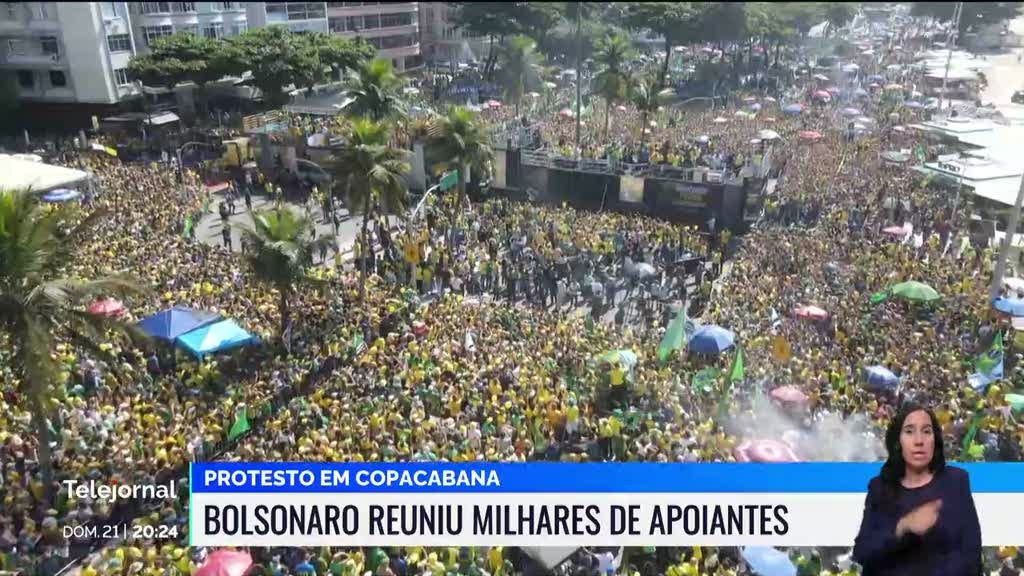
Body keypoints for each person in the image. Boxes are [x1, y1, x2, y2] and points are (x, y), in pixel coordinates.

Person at [852, 403, 982, 576]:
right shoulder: (880, 488)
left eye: (927, 431)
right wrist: (901, 528)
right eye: (909, 431)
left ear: (935, 439)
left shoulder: (956, 481)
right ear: (897, 441)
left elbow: (971, 555)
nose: (919, 441)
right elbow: (862, 552)